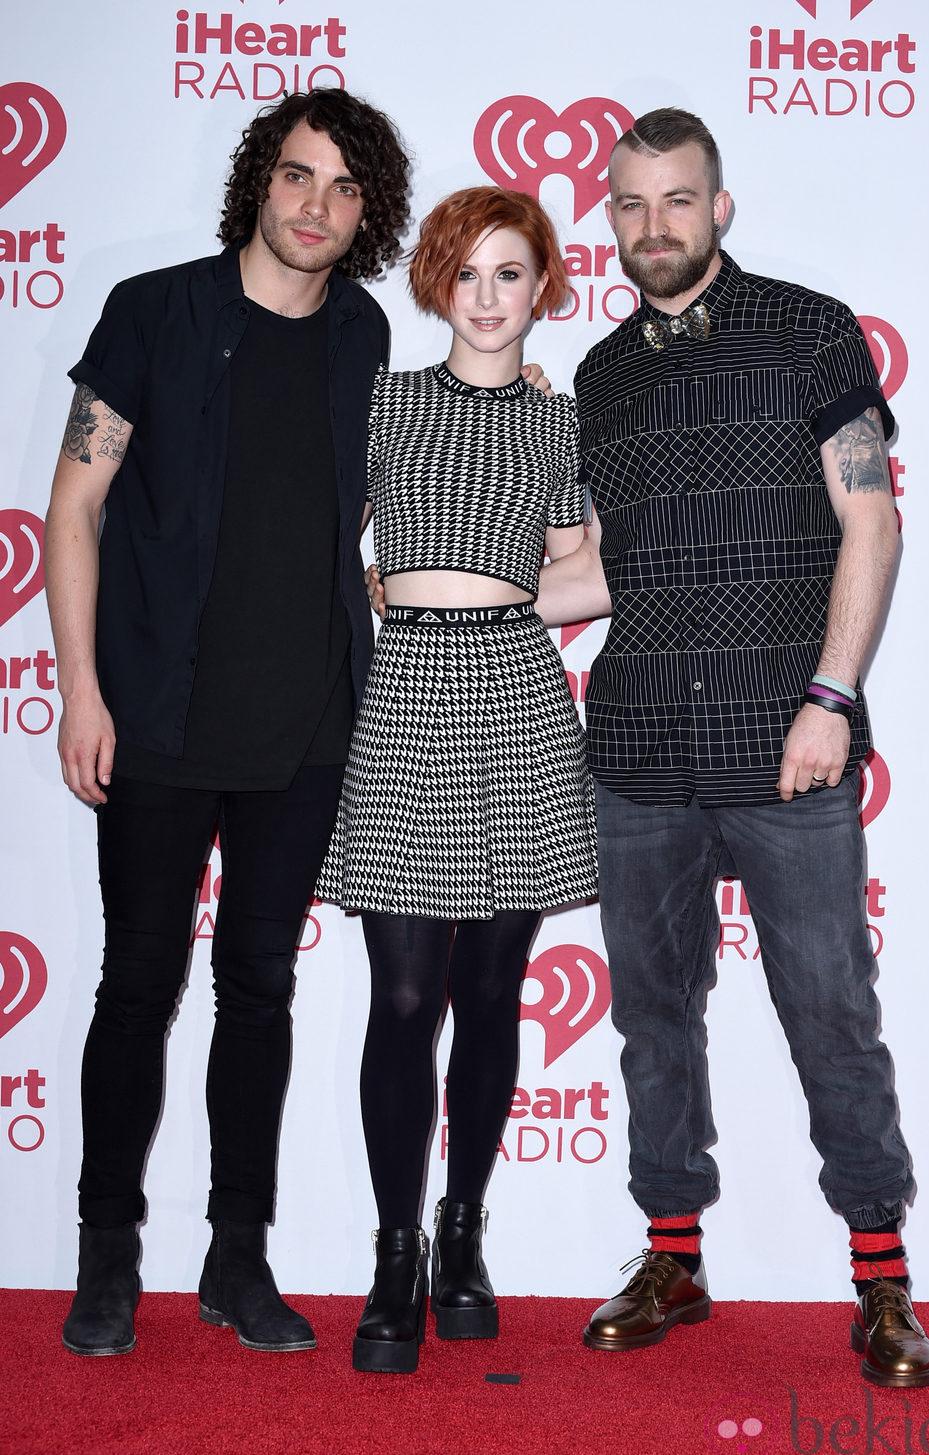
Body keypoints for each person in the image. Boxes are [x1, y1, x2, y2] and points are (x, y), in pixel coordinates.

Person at [536, 107, 929, 1389]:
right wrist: (419, 591)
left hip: (787, 744)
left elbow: (867, 523)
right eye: (628, 204)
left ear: (720, 206)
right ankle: (672, 1257)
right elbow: (599, 574)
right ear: (608, 215)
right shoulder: (599, 376)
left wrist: (829, 696)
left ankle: (879, 1278)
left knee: (829, 1011)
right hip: (641, 740)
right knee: (654, 1019)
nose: (651, 227)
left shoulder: (812, 331)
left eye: (676, 200)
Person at [45, 88, 411, 1357]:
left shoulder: (365, 335)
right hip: (153, 706)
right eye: (298, 176)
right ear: (261, 180)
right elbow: (73, 511)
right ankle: (105, 1262)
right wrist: (81, 688)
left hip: (306, 725)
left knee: (258, 990)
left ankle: (235, 1259)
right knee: (136, 981)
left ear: (368, 215)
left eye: (345, 187)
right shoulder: (152, 311)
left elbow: (344, 516)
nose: (316, 205)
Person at [319, 186, 598, 1374]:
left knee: (491, 997)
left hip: (518, 702)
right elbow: (322, 542)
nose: (488, 298)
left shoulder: (558, 422)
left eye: (510, 274)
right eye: (467, 274)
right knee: (400, 1000)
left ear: (543, 285)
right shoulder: (378, 403)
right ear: (436, 282)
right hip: (401, 705)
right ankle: (395, 1251)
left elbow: (586, 571)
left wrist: (502, 605)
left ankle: (464, 1229)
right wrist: (385, 593)